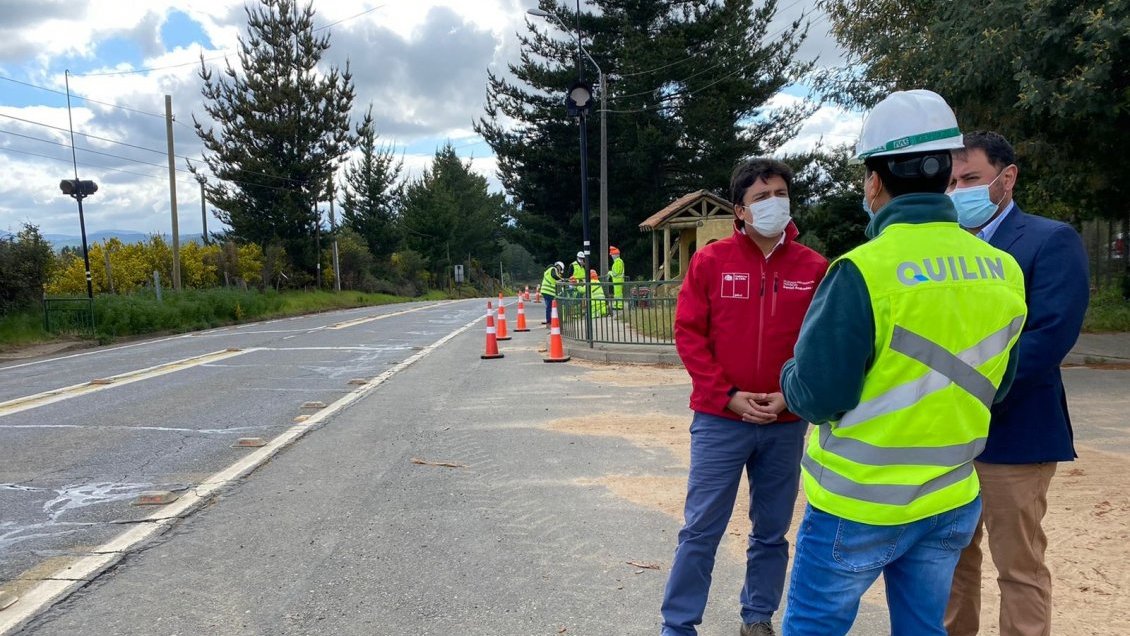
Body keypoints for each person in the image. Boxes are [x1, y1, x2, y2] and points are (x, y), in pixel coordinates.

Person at [778, 90, 1029, 636]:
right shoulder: (1002, 270)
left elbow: (817, 396)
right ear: (946, 176)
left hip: (859, 503)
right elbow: (1000, 385)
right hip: (949, 499)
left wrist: (788, 373)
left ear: (875, 182)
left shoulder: (862, 271)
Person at [660, 158, 828, 636]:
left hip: (783, 422)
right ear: (740, 210)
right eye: (760, 197)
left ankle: (758, 618)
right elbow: (690, 334)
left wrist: (788, 398)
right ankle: (678, 625)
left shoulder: (814, 268)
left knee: (771, 532)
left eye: (779, 193)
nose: (773, 203)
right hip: (720, 420)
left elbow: (819, 347)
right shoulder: (710, 262)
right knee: (700, 530)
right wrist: (727, 395)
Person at [944, 132, 1090, 636]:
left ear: (1007, 178)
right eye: (951, 181)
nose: (958, 190)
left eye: (970, 179)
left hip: (1017, 433)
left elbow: (1048, 336)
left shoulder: (1050, 240)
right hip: (951, 436)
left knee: (1019, 567)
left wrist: (966, 386)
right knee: (952, 564)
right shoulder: (945, 250)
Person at [539, 261, 565, 326]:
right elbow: (554, 276)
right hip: (549, 291)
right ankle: (549, 322)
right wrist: (562, 280)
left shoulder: (548, 270)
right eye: (560, 269)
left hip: (545, 291)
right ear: (559, 267)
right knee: (550, 307)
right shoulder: (554, 269)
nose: (560, 271)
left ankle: (549, 320)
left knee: (548, 307)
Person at [608, 246, 626, 310]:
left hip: (618, 280)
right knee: (617, 294)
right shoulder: (618, 261)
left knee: (618, 294)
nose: (611, 256)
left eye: (612, 255)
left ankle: (619, 306)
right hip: (617, 280)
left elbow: (616, 273)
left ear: (615, 255)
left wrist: (610, 273)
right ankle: (616, 305)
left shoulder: (618, 262)